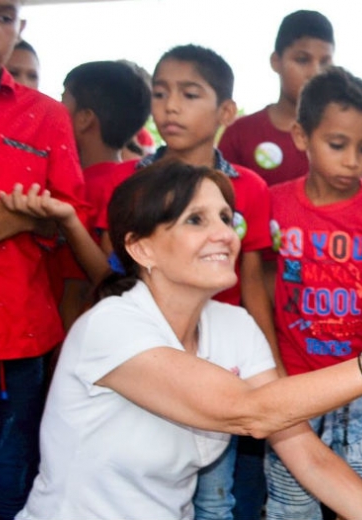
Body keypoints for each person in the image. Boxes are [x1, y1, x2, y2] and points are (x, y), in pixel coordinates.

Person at [0, 160, 362, 520]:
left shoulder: (234, 329)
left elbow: (308, 455)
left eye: (227, 217)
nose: (225, 233)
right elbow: (248, 411)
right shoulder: (111, 325)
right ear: (141, 248)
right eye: (196, 220)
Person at [109, 43, 276, 520]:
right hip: (146, 359)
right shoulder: (128, 185)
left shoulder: (251, 189)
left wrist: (270, 365)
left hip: (222, 357)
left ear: (226, 110)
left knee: (216, 495)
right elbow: (111, 277)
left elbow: (253, 284)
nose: (171, 106)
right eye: (160, 93)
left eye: (189, 93)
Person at [262, 66, 362, 520]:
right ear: (301, 136)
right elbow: (254, 283)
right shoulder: (273, 204)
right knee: (293, 506)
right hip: (292, 384)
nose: (353, 160)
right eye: (338, 145)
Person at [0, 1, 88, 516]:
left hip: (20, 339)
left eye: (5, 15)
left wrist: (33, 220)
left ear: (20, 27)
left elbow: (70, 217)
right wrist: (21, 218)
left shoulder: (45, 115)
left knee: (12, 479)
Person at [55, 60, 151, 326]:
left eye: (62, 99)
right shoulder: (130, 180)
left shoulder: (88, 189)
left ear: (84, 119)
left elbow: (81, 287)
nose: (54, 108)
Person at [219, 10, 334, 187]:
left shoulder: (345, 135)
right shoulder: (240, 134)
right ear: (276, 61)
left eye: (325, 62)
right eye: (303, 60)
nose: (315, 72)